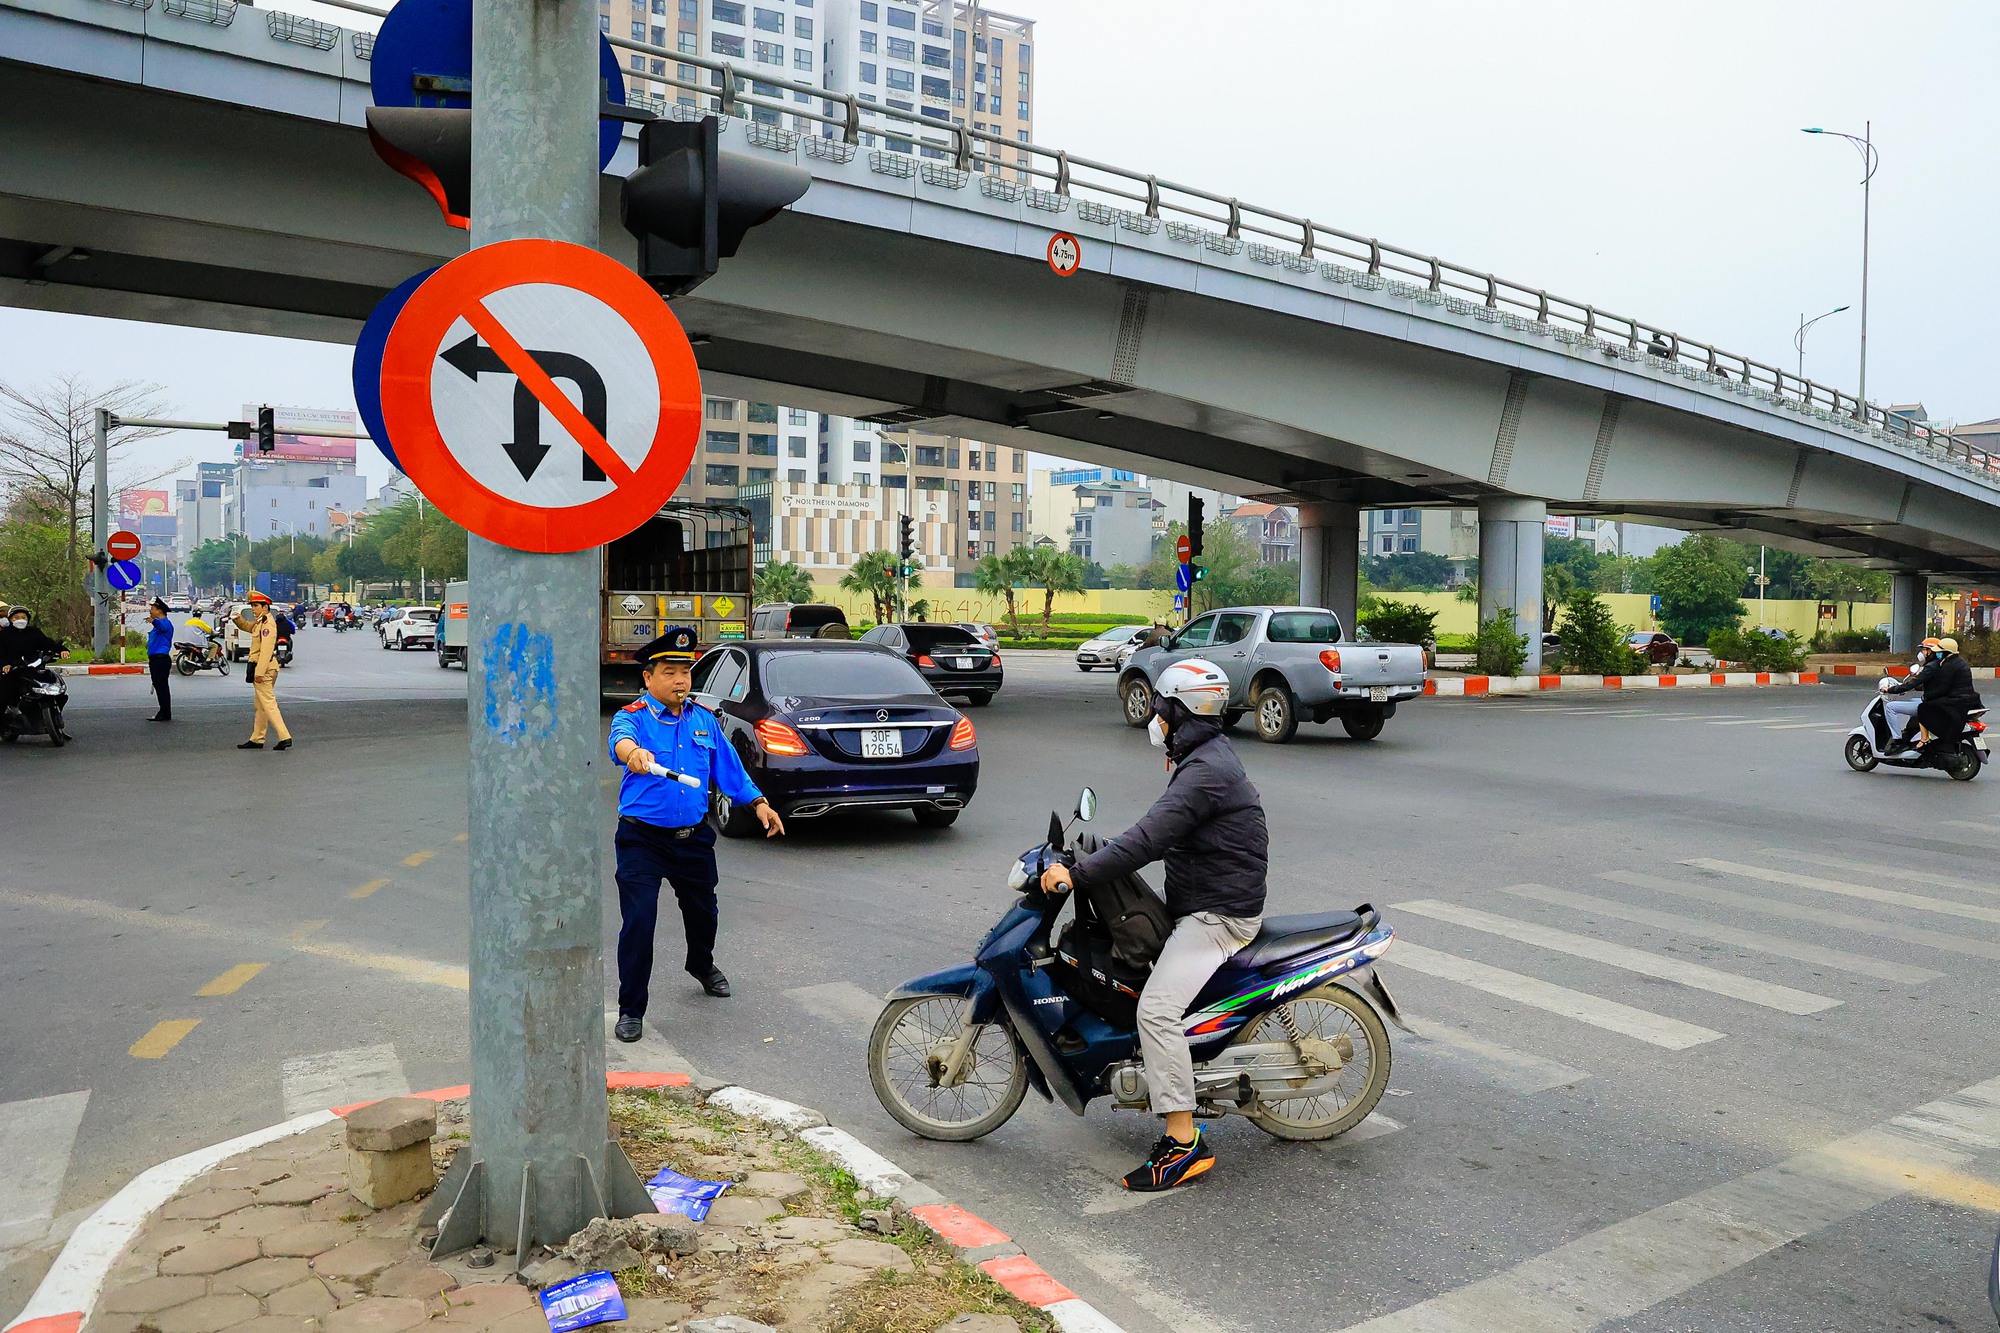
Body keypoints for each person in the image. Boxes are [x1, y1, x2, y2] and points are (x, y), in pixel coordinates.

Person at [1040, 658, 1267, 1192]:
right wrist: (1093, 859)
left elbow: (1147, 841)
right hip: (1200, 900)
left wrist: (1075, 874)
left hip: (1218, 916)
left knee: (1158, 1010)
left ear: (1178, 711)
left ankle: (1183, 1143)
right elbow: (1152, 831)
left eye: (1161, 709)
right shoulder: (1203, 758)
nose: (1155, 718)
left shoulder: (1206, 772)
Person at [608, 627, 784, 1040]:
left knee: (704, 914)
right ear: (648, 678)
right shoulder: (631, 717)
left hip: (693, 838)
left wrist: (759, 804)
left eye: (685, 671)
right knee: (639, 922)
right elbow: (621, 743)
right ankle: (631, 1009)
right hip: (641, 839)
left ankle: (700, 964)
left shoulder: (703, 721)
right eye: (669, 672)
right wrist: (633, 754)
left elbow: (729, 770)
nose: (680, 680)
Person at [238, 591, 292, 751]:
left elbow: (267, 650)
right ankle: (257, 738)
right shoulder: (261, 622)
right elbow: (248, 627)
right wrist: (236, 619)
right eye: (252, 605)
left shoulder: (268, 624)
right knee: (261, 705)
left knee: (268, 703)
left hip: (264, 668)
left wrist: (259, 672)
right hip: (266, 667)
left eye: (256, 606)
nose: (253, 609)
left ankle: (284, 736)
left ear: (265, 606)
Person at [146, 597, 175, 722]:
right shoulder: (159, 625)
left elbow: (161, 626)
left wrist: (153, 621)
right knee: (159, 686)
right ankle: (163, 711)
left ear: (160, 611)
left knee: (162, 686)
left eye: (152, 609)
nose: (150, 611)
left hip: (160, 659)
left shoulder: (165, 623)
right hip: (155, 659)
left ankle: (165, 713)